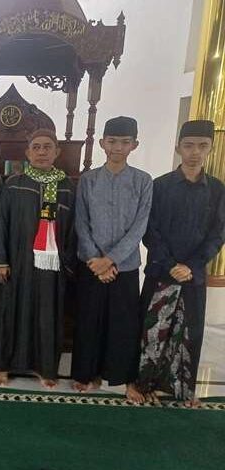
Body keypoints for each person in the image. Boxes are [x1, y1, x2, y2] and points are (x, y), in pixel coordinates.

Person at [136, 119, 225, 408]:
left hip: (193, 275)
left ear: (210, 149)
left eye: (202, 146)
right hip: (162, 271)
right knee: (154, 331)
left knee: (189, 332)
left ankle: (182, 390)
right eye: (188, 146)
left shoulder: (217, 190)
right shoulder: (160, 186)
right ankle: (145, 385)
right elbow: (150, 230)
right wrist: (171, 263)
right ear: (178, 148)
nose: (195, 152)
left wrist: (192, 265)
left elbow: (218, 233)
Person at [72, 116, 153, 403]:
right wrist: (96, 259)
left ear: (134, 145)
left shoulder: (143, 181)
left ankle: (122, 377)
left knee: (123, 324)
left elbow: (140, 226)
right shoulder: (89, 180)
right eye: (113, 141)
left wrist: (111, 260)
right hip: (91, 264)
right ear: (102, 143)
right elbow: (81, 222)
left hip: (124, 266)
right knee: (89, 320)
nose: (118, 147)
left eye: (125, 142)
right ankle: (87, 374)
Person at [0, 129, 76, 388]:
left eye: (47, 147)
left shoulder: (65, 186)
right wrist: (1, 260)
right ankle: (4, 365)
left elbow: (74, 228)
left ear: (56, 152)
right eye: (36, 147)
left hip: (52, 265)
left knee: (47, 314)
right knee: (12, 311)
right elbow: (1, 223)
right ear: (28, 153)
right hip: (18, 261)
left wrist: (68, 263)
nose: (41, 152)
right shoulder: (14, 184)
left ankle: (45, 367)